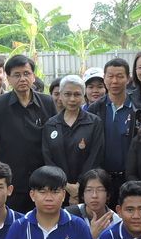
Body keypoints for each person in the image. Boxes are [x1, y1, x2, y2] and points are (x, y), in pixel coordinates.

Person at [0, 54, 57, 212]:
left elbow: (54, 141)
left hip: (42, 178)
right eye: (17, 75)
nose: (22, 79)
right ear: (8, 79)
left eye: (26, 74)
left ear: (33, 76)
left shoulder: (47, 102)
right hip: (12, 178)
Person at [87, 57, 141, 207]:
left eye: (120, 76)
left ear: (128, 79)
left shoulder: (139, 109)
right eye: (110, 76)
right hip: (102, 180)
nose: (114, 81)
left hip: (131, 178)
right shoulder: (94, 110)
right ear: (104, 78)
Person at [42, 75, 105, 204]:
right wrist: (65, 185)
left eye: (77, 94)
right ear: (60, 95)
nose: (72, 99)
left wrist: (79, 186)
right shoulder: (50, 124)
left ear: (83, 96)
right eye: (67, 94)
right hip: (58, 188)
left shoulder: (94, 122)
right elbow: (48, 158)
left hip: (87, 189)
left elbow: (95, 156)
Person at [65, 169, 122, 239]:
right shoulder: (68, 216)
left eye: (100, 190)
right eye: (89, 190)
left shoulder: (117, 221)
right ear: (82, 195)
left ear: (108, 195)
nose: (94, 196)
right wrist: (91, 236)